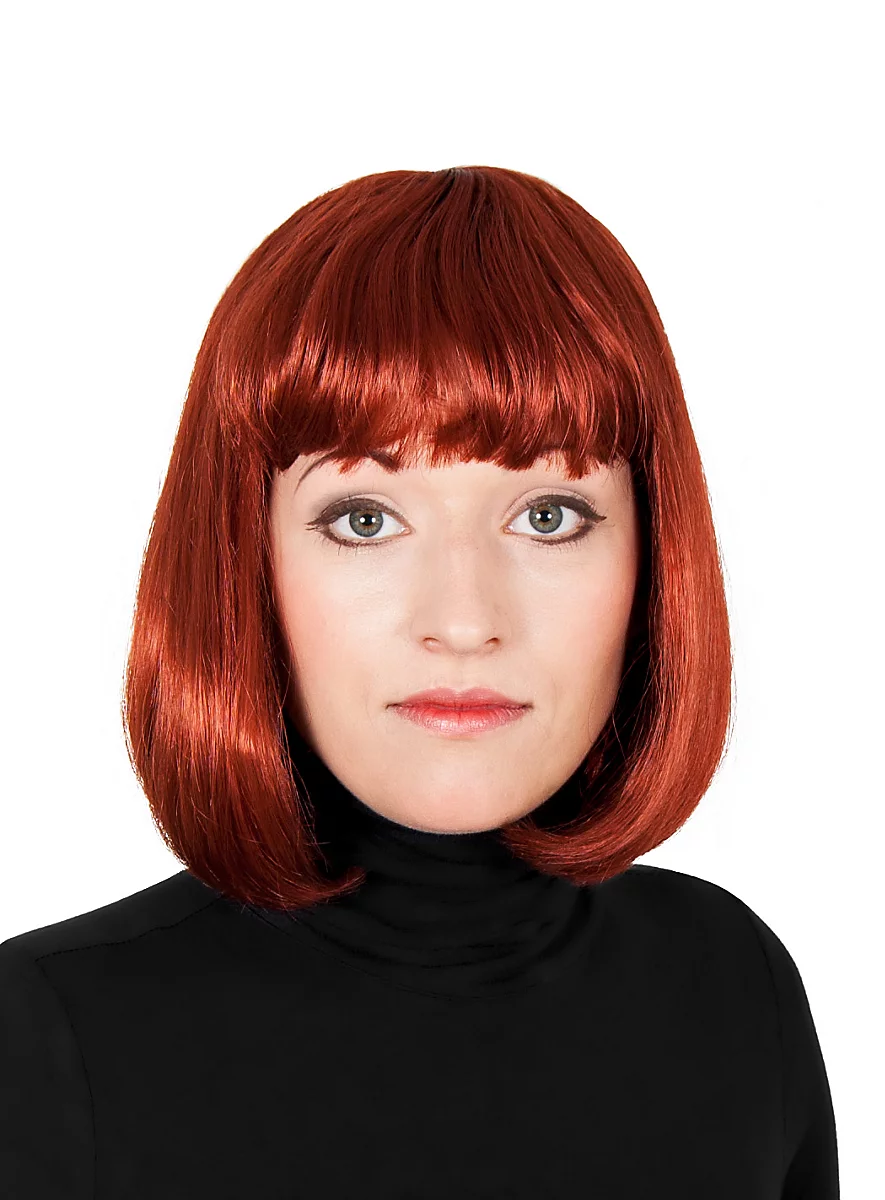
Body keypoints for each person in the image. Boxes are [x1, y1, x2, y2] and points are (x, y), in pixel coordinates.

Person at [0, 165, 839, 1197]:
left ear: (652, 559)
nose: (464, 620)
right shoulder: (43, 1040)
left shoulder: (733, 989)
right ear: (244, 564)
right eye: (364, 519)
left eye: (547, 516)